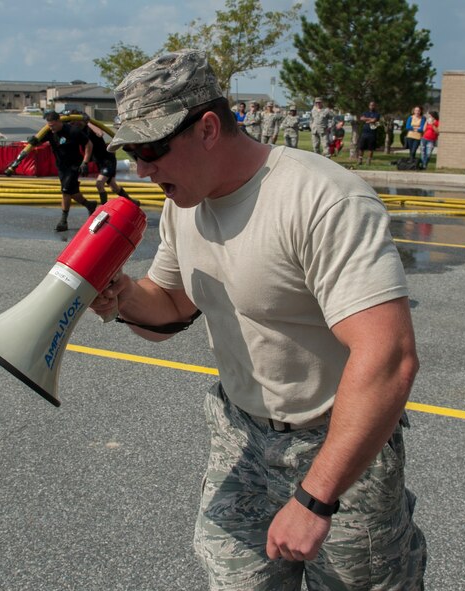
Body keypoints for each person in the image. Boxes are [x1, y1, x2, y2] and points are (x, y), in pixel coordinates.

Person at [96, 49, 426, 590]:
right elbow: (173, 306)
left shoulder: (322, 200)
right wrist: (123, 296)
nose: (141, 167)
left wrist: (316, 498)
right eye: (131, 151)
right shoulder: (183, 204)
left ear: (207, 128)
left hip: (338, 449)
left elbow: (388, 356)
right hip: (241, 436)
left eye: (151, 148)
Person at [37, 111, 97, 232]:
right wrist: (33, 141)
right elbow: (38, 141)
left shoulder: (72, 131)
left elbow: (89, 144)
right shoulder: (49, 131)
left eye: (53, 125)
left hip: (74, 166)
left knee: (65, 191)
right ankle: (89, 205)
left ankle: (63, 221)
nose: (51, 128)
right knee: (72, 191)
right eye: (49, 125)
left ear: (59, 121)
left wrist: (85, 162)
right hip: (61, 167)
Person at [69, 111, 133, 204]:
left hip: (107, 159)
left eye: (74, 122)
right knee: (113, 187)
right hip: (99, 161)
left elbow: (100, 133)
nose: (73, 124)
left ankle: (103, 206)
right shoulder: (78, 131)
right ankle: (133, 202)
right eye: (71, 122)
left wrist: (88, 122)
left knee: (99, 183)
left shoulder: (89, 128)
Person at [358, 101, 381, 165]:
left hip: (372, 133)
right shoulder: (365, 112)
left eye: (373, 105)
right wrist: (370, 119)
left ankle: (368, 160)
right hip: (364, 133)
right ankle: (360, 159)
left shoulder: (377, 114)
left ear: (375, 106)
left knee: (371, 148)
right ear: (369, 106)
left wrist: (367, 120)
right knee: (361, 147)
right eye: (371, 105)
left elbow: (374, 120)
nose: (372, 106)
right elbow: (361, 118)